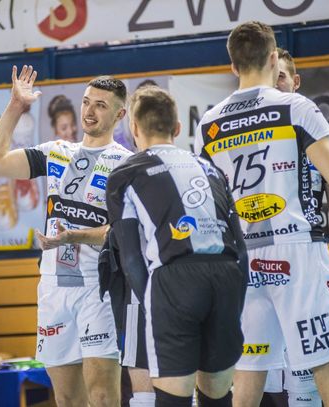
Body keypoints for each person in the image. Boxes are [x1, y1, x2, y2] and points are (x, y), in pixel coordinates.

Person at [195, 21, 329, 407]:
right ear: (273, 57)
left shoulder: (208, 124)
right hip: (297, 256)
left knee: (248, 379)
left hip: (243, 261)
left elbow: (209, 210)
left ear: (232, 65)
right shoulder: (296, 107)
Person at [0, 66, 132, 407]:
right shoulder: (56, 151)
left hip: (98, 287)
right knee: (66, 398)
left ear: (120, 115)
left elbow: (121, 233)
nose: (89, 111)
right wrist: (15, 107)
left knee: (103, 395)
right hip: (53, 287)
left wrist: (73, 236)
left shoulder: (126, 164)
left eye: (101, 105)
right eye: (86, 102)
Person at [106, 85, 248, 407]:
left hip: (173, 280)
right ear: (178, 128)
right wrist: (234, 304)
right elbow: (241, 250)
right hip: (226, 275)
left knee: (173, 398)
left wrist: (154, 306)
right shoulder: (212, 169)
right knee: (218, 397)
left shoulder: (125, 173)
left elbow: (131, 259)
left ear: (134, 128)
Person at [261, 47, 329, 407]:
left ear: (296, 82)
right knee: (261, 384)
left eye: (281, 77)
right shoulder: (251, 133)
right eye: (270, 76)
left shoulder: (324, 132)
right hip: (258, 275)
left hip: (308, 266)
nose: (274, 84)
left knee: (324, 379)